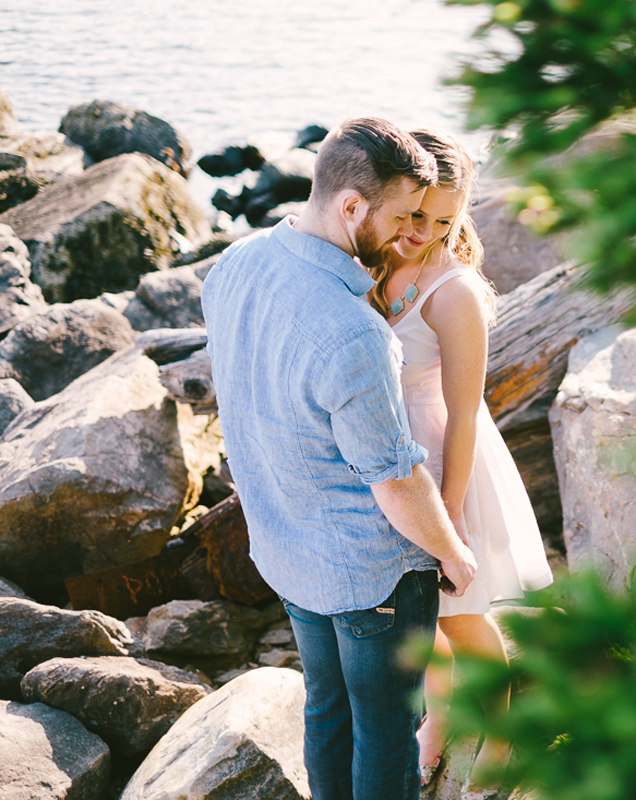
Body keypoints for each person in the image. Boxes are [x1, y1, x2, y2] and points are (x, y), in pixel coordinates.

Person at [202, 117, 478, 800]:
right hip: (372, 572)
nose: (409, 231)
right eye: (401, 215)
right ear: (351, 206)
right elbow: (395, 480)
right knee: (386, 733)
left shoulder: (236, 264)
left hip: (286, 546)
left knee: (327, 712)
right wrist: (452, 552)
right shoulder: (355, 331)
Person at [365, 129, 554, 800]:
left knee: (462, 617)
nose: (424, 231)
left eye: (444, 220)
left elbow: (468, 412)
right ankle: (441, 715)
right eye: (416, 214)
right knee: (415, 615)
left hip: (447, 464)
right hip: (385, 463)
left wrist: (449, 515)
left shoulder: (454, 293)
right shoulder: (375, 257)